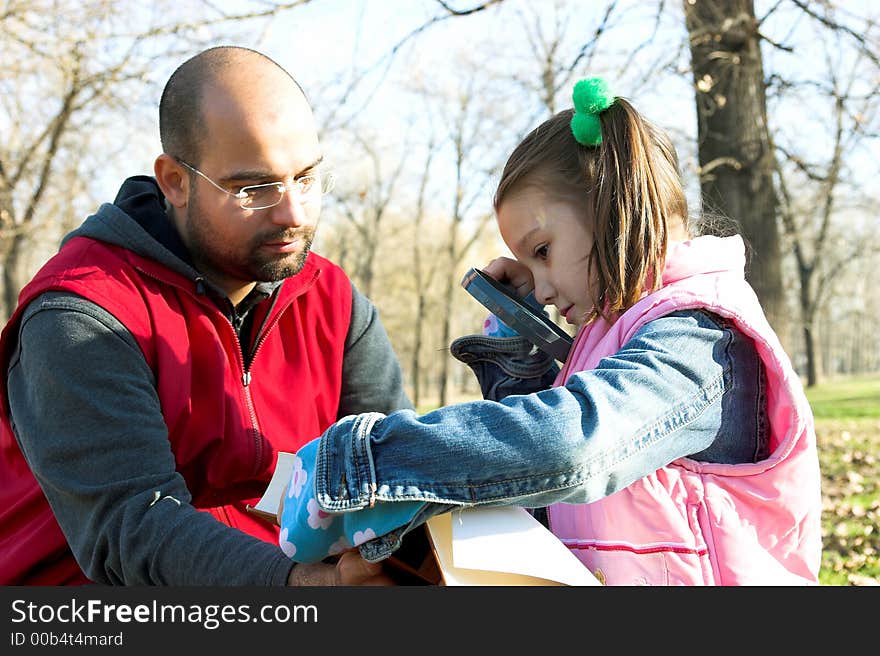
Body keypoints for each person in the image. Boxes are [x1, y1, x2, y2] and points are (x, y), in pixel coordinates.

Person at [276, 77, 823, 585]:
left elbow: (570, 446)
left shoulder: (701, 338)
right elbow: (537, 490)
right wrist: (520, 341)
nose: (540, 287)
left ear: (613, 206)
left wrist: (371, 461)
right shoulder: (614, 336)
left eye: (542, 252)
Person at [0, 45, 411, 586]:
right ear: (174, 180)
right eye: (253, 188)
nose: (294, 214)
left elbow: (397, 471)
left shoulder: (329, 297)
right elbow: (133, 527)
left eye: (306, 178)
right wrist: (307, 589)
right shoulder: (83, 316)